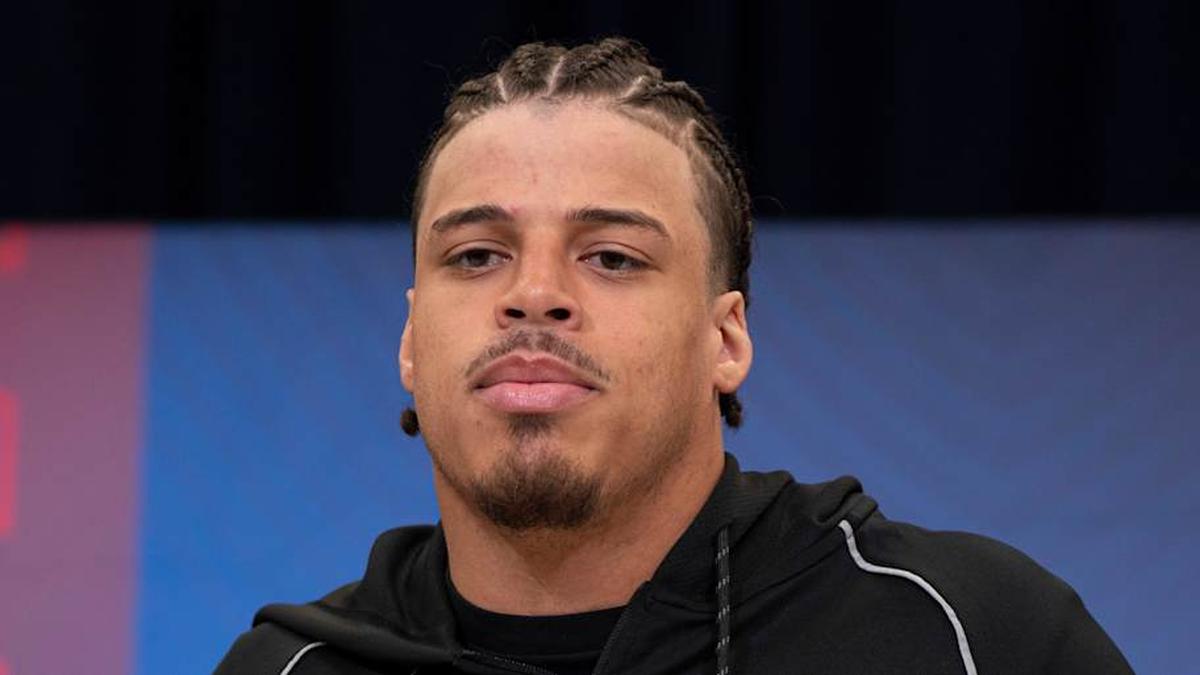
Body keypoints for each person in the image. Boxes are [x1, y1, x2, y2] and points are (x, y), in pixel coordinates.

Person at [216, 37, 1132, 675]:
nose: (533, 292)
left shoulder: (975, 636)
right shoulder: (285, 669)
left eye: (612, 256)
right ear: (413, 341)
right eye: (477, 254)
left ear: (724, 340)